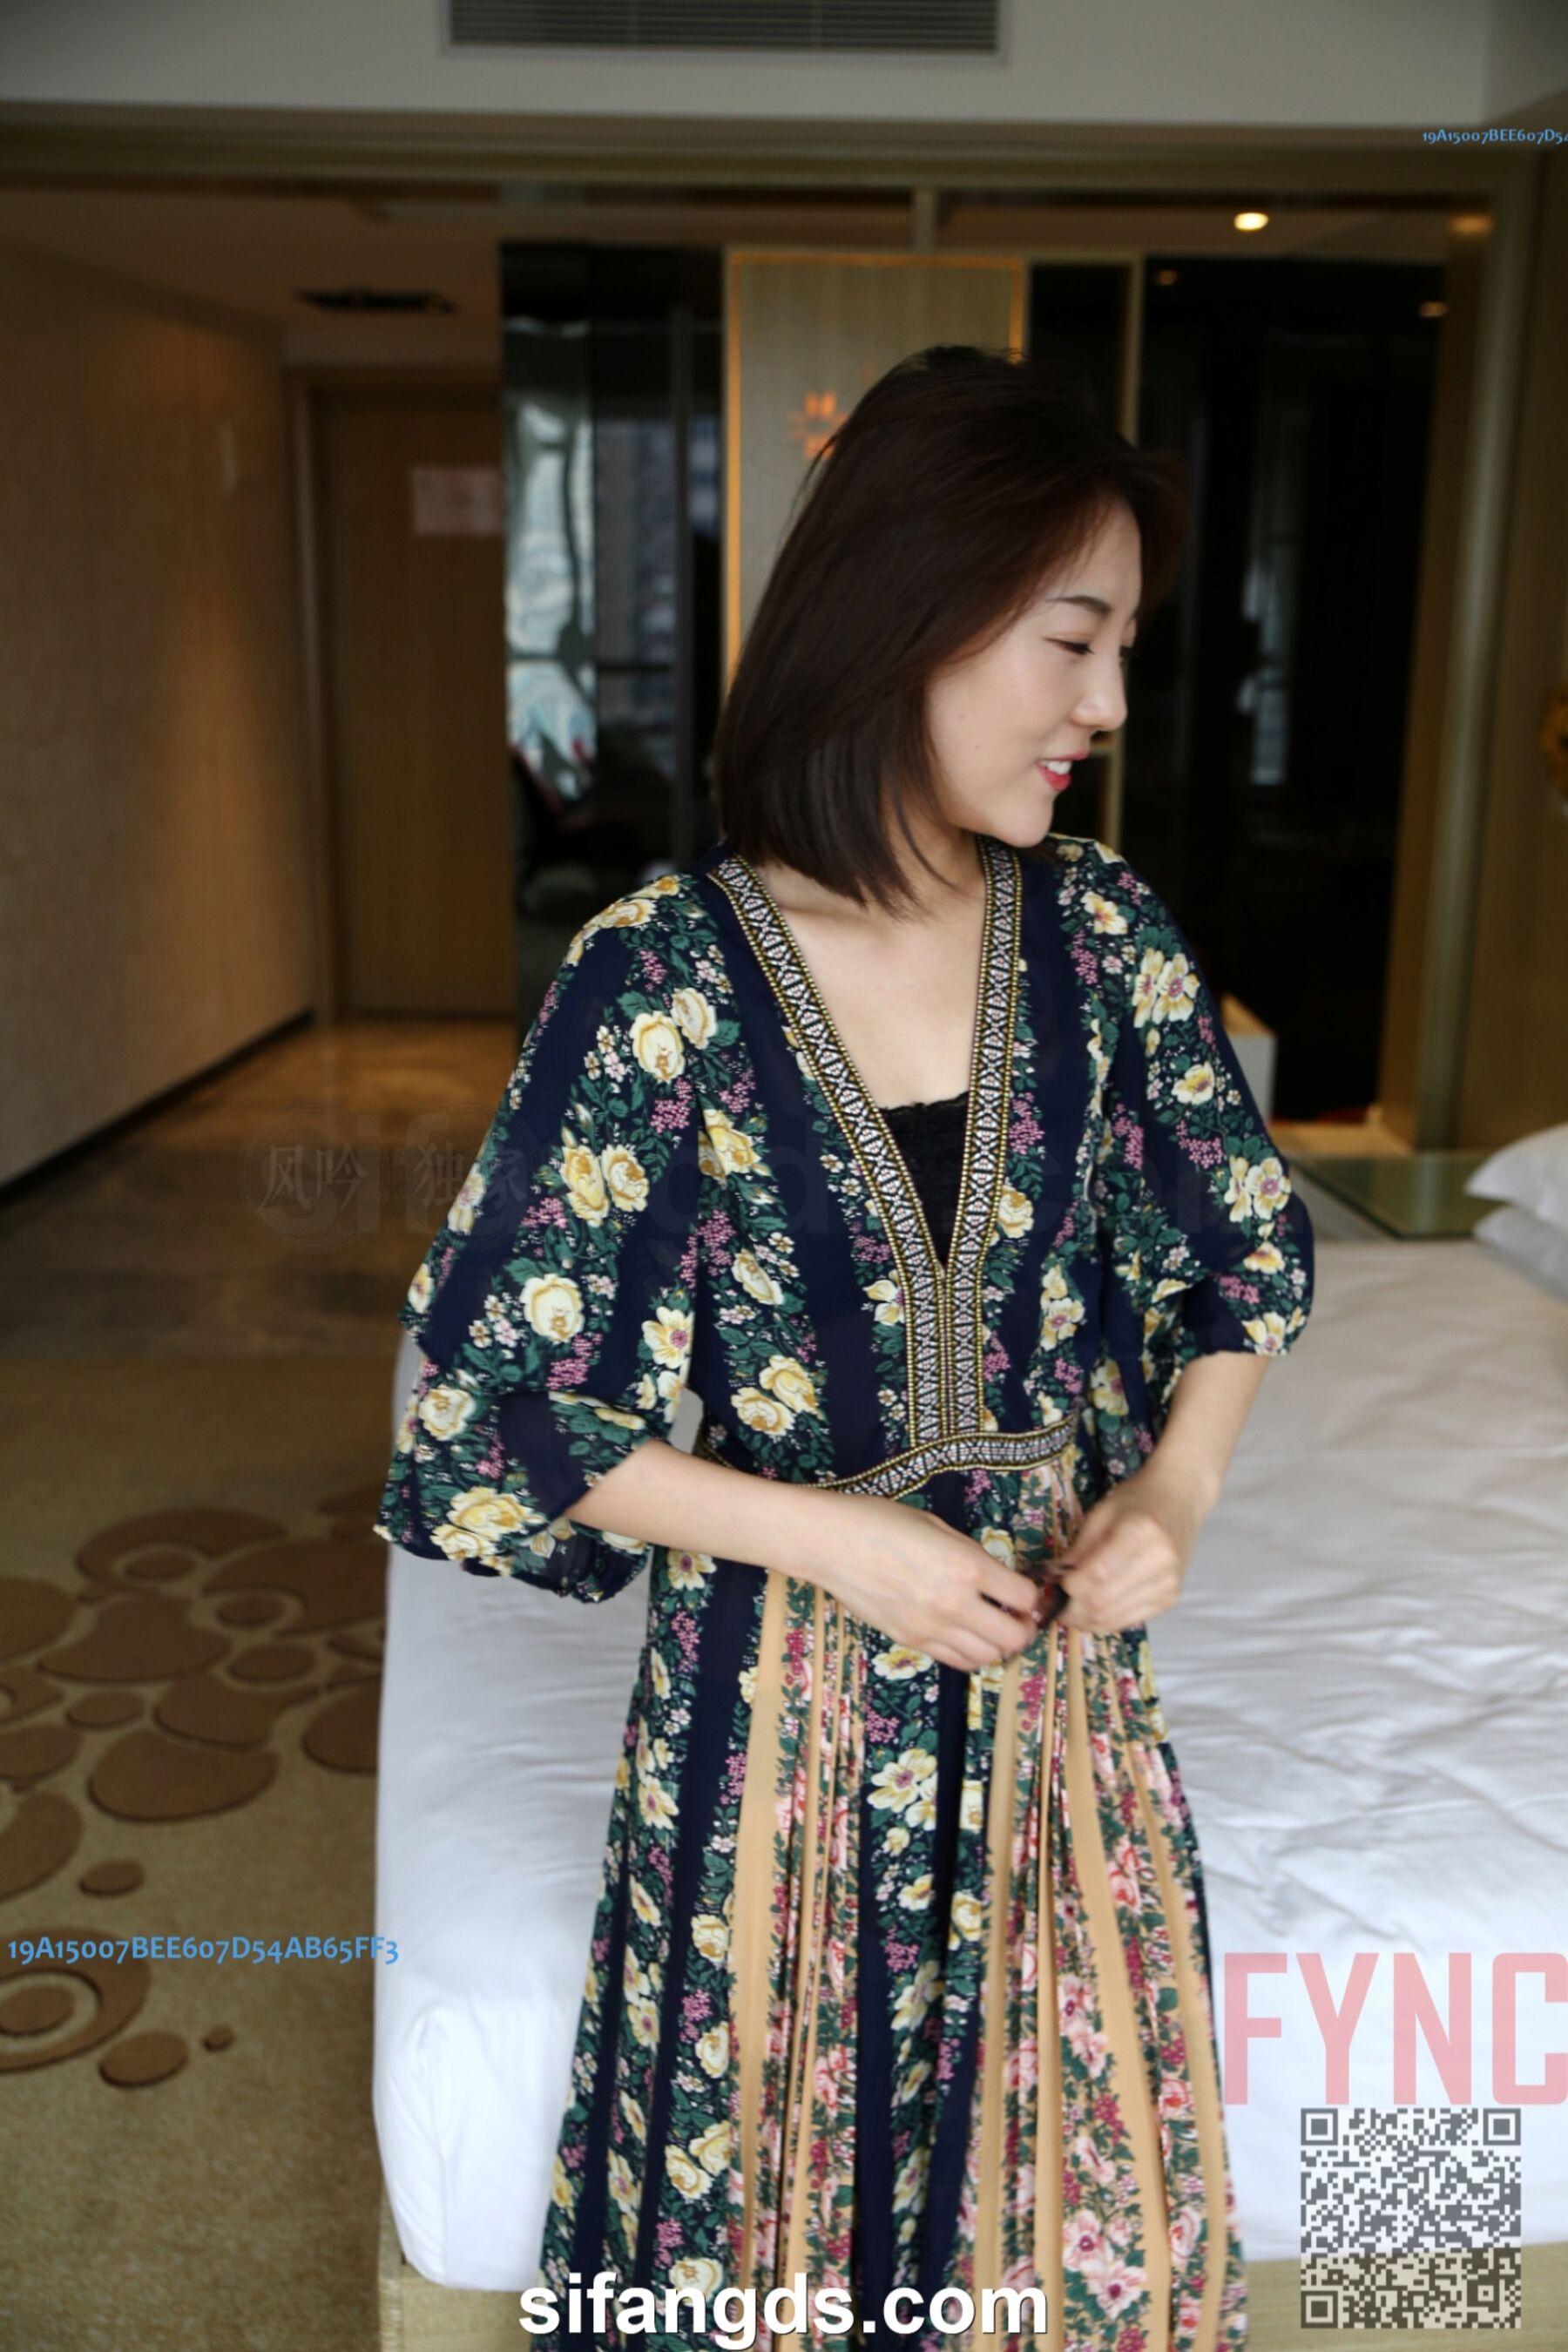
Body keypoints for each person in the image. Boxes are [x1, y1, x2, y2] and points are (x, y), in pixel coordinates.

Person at [374, 344, 1315, 2352]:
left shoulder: (1105, 939)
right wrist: (833, 1539)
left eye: (1124, 649)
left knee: (1080, 2216)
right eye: (1075, 640)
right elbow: (492, 1408)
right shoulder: (661, 982)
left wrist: (1178, 1488)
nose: (1110, 705)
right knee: (765, 2222)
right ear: (913, 614)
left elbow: (1243, 1250)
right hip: (768, 1734)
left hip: (1061, 1708)